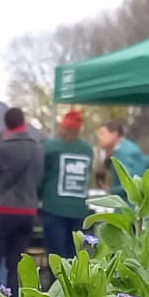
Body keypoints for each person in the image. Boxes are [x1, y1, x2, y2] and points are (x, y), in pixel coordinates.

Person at [0, 108, 44, 293]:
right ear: (23, 122)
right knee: (16, 264)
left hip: (2, 210)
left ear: (6, 125)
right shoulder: (38, 148)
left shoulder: (2, 147)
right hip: (28, 213)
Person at [38, 110, 96, 264]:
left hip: (53, 208)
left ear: (63, 127)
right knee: (75, 256)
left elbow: (41, 176)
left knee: (56, 257)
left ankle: (56, 286)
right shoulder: (87, 150)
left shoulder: (50, 147)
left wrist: (37, 197)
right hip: (79, 210)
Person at [96, 119, 149, 188]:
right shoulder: (120, 151)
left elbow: (132, 184)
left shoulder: (123, 152)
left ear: (114, 134)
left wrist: (112, 190)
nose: (99, 137)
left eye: (102, 133)